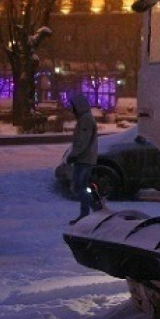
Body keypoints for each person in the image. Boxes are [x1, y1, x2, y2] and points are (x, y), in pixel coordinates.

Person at [66, 93, 99, 225]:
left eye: (73, 106)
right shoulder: (86, 118)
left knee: (78, 187)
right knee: (82, 187)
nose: (72, 109)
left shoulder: (85, 119)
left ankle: (96, 211)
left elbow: (82, 141)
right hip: (85, 158)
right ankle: (86, 214)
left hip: (84, 159)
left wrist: (74, 155)